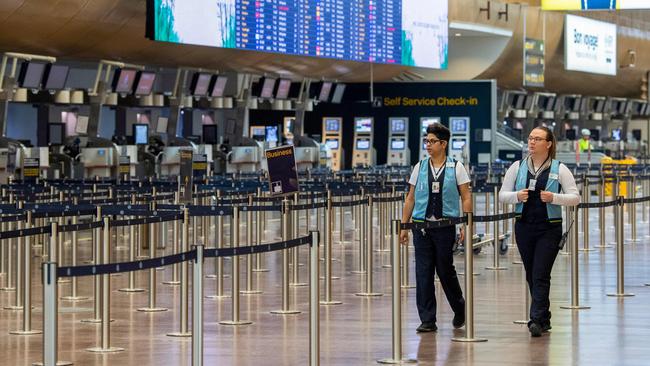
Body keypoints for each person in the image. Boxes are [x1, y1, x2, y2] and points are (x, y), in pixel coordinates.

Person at [499, 126, 580, 337]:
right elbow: (502, 195)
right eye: (530, 138)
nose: (532, 142)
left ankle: (535, 319)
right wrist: (517, 195)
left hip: (549, 228)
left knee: (540, 274)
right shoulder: (517, 167)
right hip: (524, 226)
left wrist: (555, 198)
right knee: (531, 273)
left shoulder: (559, 168)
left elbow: (575, 197)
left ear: (549, 143)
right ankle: (544, 317)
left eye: (537, 139)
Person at [399, 123, 472, 333]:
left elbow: (466, 197)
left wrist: (466, 224)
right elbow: (410, 198)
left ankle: (460, 308)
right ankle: (428, 319)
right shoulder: (419, 167)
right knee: (423, 272)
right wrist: (404, 226)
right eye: (426, 141)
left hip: (445, 226)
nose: (428, 145)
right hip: (421, 226)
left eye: (432, 141)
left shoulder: (456, 167)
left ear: (443, 144)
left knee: (445, 269)